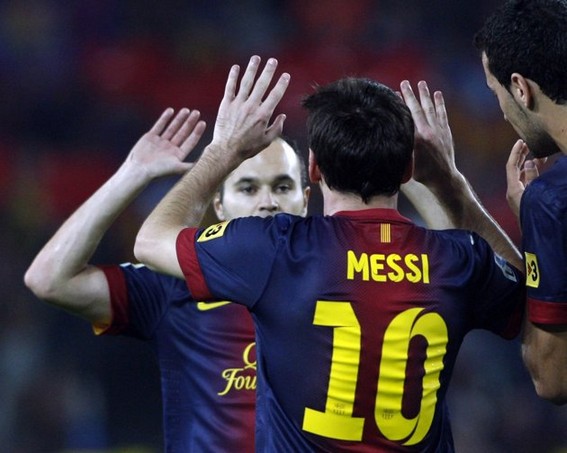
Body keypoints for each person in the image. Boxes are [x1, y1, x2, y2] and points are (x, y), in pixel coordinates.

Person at [134, 55, 525, 451]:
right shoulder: (458, 258)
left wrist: (223, 151)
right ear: (408, 169)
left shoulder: (276, 249)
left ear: (314, 168)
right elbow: (526, 296)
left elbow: (150, 241)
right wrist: (449, 181)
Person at [23, 107, 310, 450]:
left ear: (306, 201)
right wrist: (132, 173)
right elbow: (49, 279)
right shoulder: (176, 288)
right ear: (219, 206)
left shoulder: (343, 281)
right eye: (248, 188)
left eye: (282, 186)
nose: (267, 203)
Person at [474, 0, 567, 404]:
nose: (502, 112)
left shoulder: (551, 202)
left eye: (495, 92)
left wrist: (535, 233)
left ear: (520, 88)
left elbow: (553, 379)